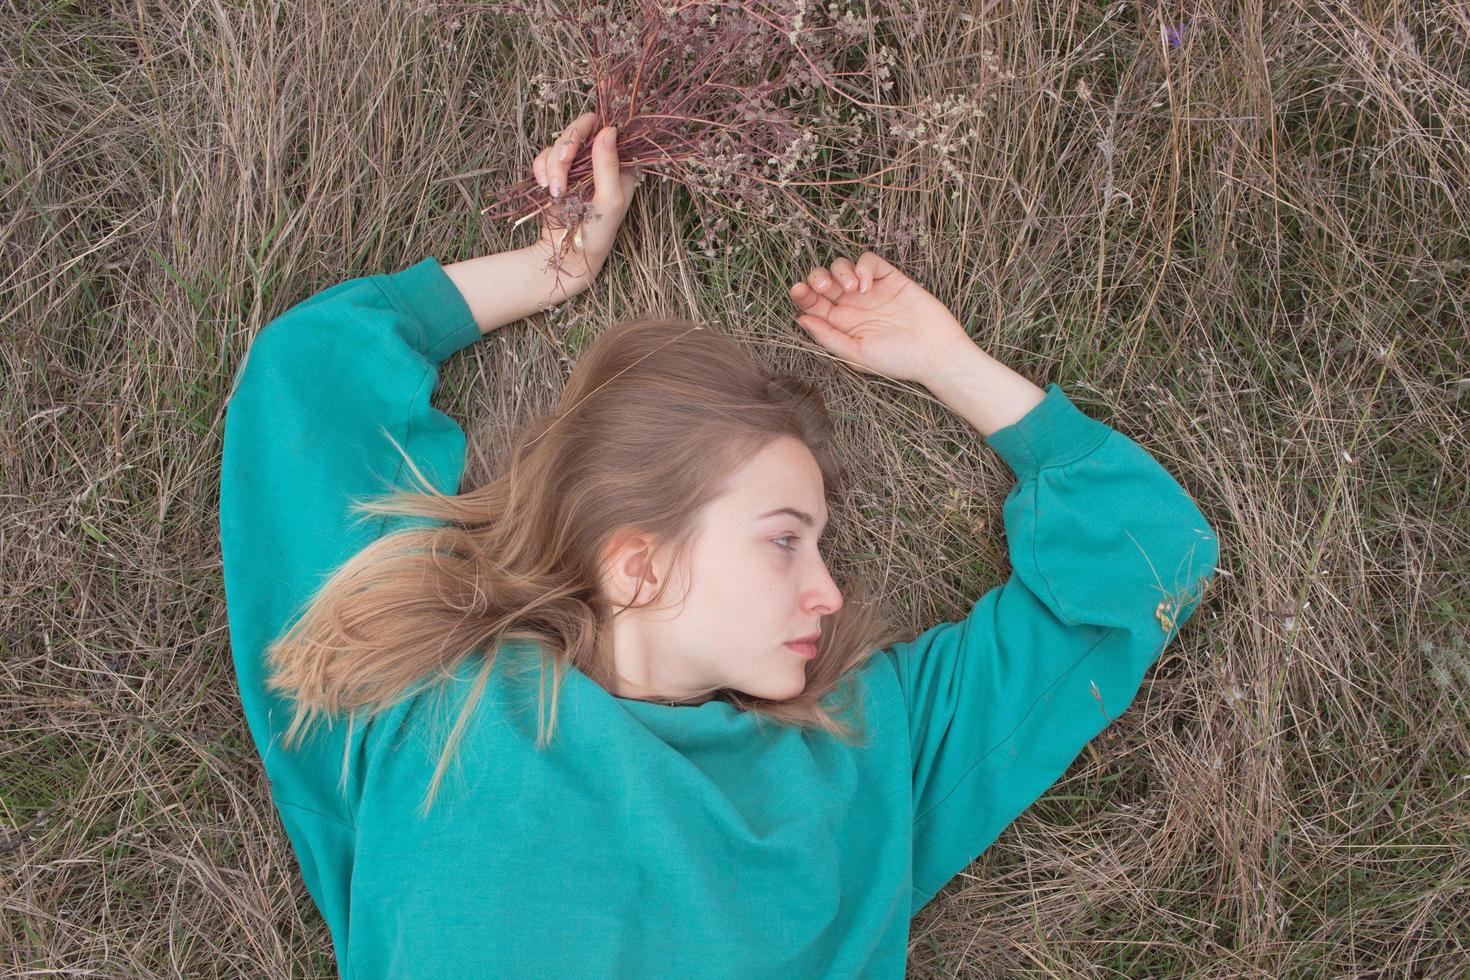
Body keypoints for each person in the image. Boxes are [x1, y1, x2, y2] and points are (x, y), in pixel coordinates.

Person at [219, 111, 1219, 978]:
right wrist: (550, 266)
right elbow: (306, 377)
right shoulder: (426, 691)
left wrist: (947, 362)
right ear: (639, 562)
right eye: (785, 540)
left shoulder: (863, 750)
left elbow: (1142, 555)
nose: (829, 592)